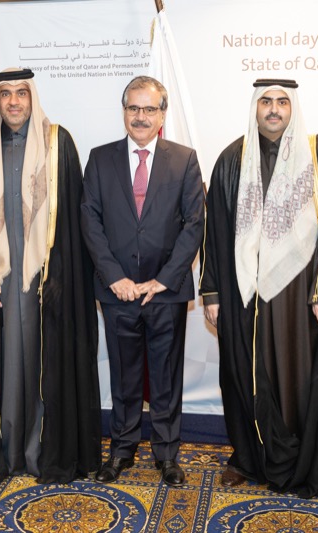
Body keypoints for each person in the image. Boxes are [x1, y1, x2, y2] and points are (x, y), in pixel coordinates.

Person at [199, 79, 318, 496]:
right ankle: (249, 458)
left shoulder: (316, 154)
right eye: (266, 101)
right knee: (244, 371)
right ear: (255, 106)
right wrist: (212, 293)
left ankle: (302, 457)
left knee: (297, 373)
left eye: (282, 101)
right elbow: (214, 230)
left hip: (301, 294)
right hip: (243, 291)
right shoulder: (232, 158)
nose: (274, 109)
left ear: (292, 107)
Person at [0, 68, 100, 483]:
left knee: (42, 364)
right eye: (6, 94)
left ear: (33, 98)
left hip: (44, 281)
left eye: (21, 93)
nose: (14, 102)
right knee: (7, 366)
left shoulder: (58, 142)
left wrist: (61, 277)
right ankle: (5, 453)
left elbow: (73, 216)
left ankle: (41, 452)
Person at [80, 76, 204, 486]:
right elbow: (90, 221)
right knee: (124, 375)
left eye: (149, 109)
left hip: (165, 292)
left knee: (166, 377)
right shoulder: (100, 159)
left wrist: (163, 280)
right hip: (117, 292)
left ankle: (167, 454)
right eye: (134, 108)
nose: (141, 116)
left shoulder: (184, 159)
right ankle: (122, 450)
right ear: (124, 112)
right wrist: (114, 277)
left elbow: (194, 224)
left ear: (162, 115)